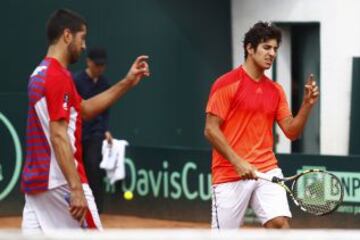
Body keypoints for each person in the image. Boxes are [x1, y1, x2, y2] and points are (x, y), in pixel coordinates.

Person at [21, 9, 150, 232]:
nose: (83, 46)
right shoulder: (57, 77)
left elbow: (84, 109)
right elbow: (59, 135)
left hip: (37, 184)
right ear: (67, 35)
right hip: (61, 182)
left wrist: (127, 82)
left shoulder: (40, 73)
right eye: (82, 38)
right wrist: (76, 188)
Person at [204, 21, 319, 229]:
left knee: (279, 224)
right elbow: (211, 130)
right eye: (266, 47)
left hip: (267, 171)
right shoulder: (226, 84)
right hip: (229, 174)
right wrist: (238, 162)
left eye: (275, 48)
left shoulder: (276, 90)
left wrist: (307, 105)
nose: (272, 53)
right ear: (250, 48)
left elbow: (292, 132)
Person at [73, 47, 113, 214]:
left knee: (93, 166)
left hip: (95, 134)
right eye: (97, 65)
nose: (99, 68)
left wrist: (105, 130)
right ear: (88, 62)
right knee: (77, 169)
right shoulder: (76, 81)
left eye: (102, 65)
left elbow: (105, 112)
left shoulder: (105, 84)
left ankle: (96, 209)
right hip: (78, 133)